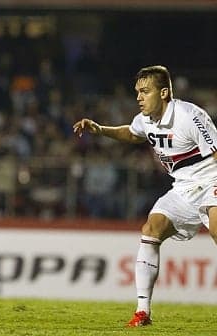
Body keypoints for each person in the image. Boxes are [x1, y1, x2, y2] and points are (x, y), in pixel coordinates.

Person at [73, 65, 217, 327]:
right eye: (137, 91)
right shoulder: (146, 119)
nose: (139, 97)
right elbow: (132, 132)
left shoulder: (190, 116)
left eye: (145, 91)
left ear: (164, 93)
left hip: (212, 180)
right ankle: (142, 312)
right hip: (183, 188)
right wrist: (100, 129)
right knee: (151, 229)